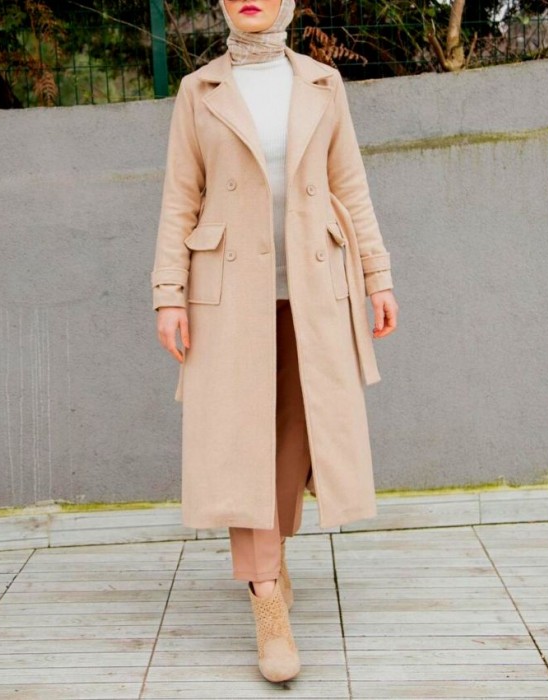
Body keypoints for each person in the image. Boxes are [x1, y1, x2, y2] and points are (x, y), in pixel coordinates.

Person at [151, 0, 399, 684]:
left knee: (295, 431)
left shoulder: (322, 82)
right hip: (229, 291)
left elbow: (350, 185)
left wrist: (377, 276)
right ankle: (265, 596)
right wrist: (168, 293)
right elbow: (180, 197)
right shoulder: (198, 89)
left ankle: (273, 554)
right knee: (242, 438)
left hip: (315, 285)